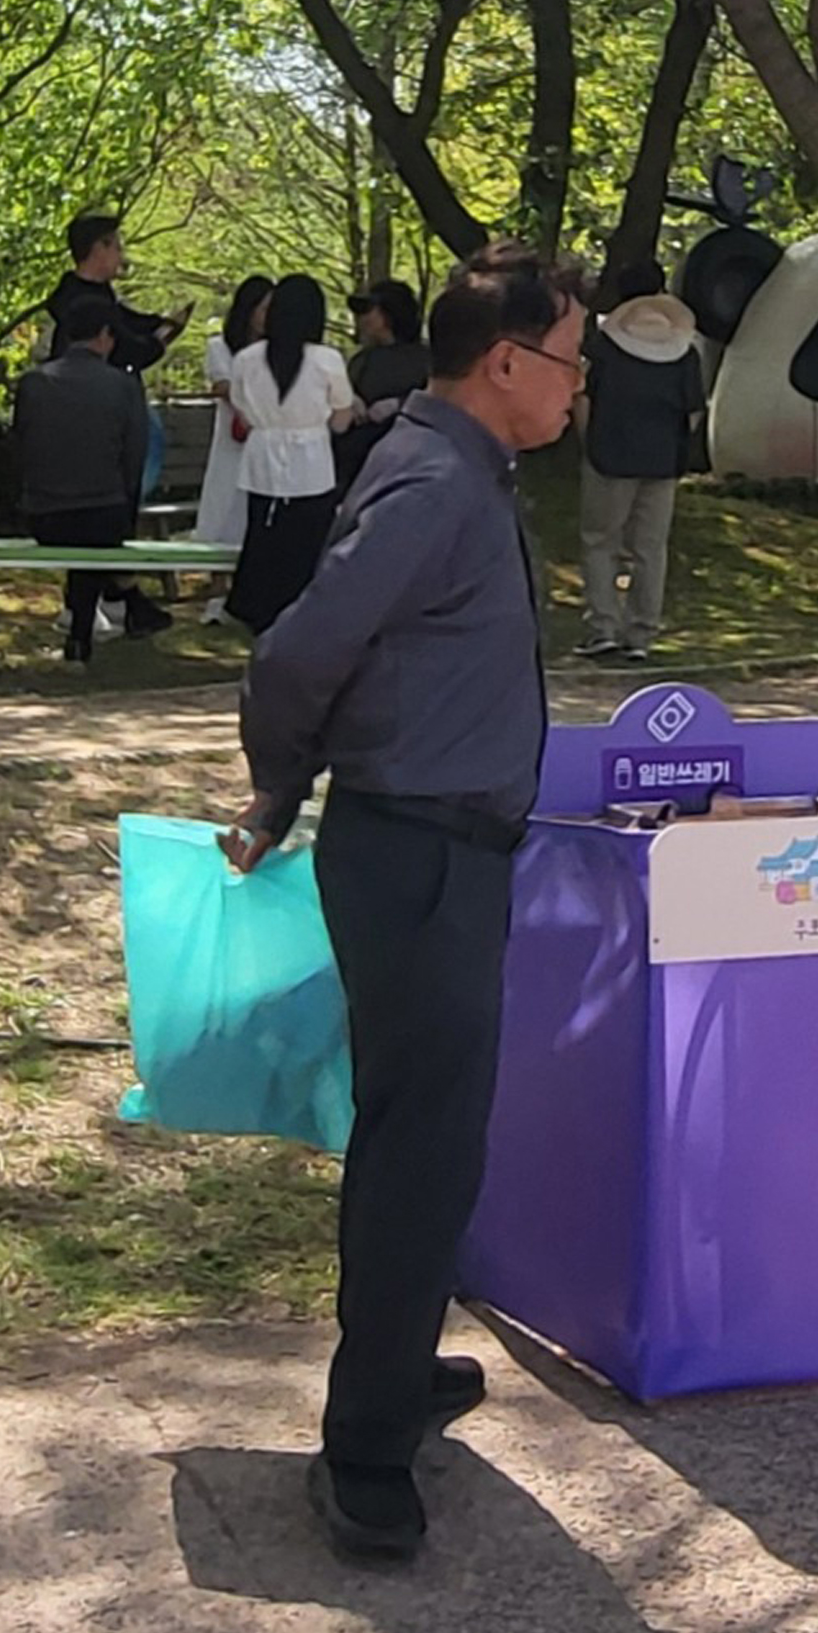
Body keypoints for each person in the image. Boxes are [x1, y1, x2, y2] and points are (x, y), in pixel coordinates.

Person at [227, 243, 591, 1563]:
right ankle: (368, 1449)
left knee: (427, 1135)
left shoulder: (454, 462)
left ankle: (395, 1357)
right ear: (505, 359)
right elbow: (299, 651)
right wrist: (277, 787)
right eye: (570, 359)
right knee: (422, 1145)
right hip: (418, 855)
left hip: (443, 851)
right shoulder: (438, 478)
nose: (580, 385)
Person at [12, 286, 156, 660]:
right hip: (103, 515)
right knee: (96, 525)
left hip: (43, 515)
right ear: (106, 336)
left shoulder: (34, 383)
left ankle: (82, 634)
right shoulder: (123, 385)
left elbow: (22, 446)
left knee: (83, 522)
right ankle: (84, 633)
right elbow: (134, 458)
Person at [577, 269, 706, 655]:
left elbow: (583, 397)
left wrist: (588, 441)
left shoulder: (605, 347)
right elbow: (694, 412)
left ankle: (603, 628)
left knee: (601, 541)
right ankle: (642, 634)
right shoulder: (685, 351)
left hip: (609, 453)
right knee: (651, 548)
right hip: (663, 459)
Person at [224, 273, 355, 632]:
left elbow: (241, 408)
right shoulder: (327, 359)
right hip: (312, 462)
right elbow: (342, 416)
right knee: (307, 547)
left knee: (263, 540)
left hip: (262, 460)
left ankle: (259, 616)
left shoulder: (247, 359)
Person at [39, 212, 183, 368]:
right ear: (99, 249)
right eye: (117, 248)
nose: (121, 257)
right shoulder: (82, 304)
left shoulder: (96, 295)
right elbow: (128, 350)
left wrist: (160, 323)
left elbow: (128, 319)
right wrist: (158, 343)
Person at [195, 273, 275, 556]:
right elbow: (224, 387)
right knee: (224, 505)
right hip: (232, 443)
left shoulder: (276, 352)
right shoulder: (220, 347)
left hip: (266, 444)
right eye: (265, 308)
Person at [339, 278, 430, 492]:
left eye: (370, 310)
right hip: (361, 465)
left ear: (389, 314)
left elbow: (445, 401)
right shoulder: (362, 360)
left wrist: (400, 404)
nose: (363, 318)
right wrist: (350, 400)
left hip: (412, 461)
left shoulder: (427, 359)